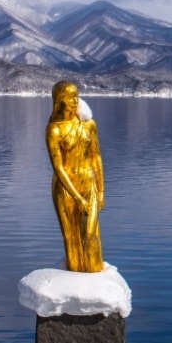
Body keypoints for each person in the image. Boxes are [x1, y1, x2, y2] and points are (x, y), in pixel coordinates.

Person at [46, 80, 105, 272]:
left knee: (91, 235)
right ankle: (75, 278)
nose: (75, 100)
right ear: (60, 100)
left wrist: (102, 190)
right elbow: (58, 168)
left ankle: (95, 278)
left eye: (76, 96)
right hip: (65, 188)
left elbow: (96, 157)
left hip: (89, 183)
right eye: (70, 97)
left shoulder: (89, 125)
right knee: (71, 238)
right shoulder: (54, 130)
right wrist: (77, 198)